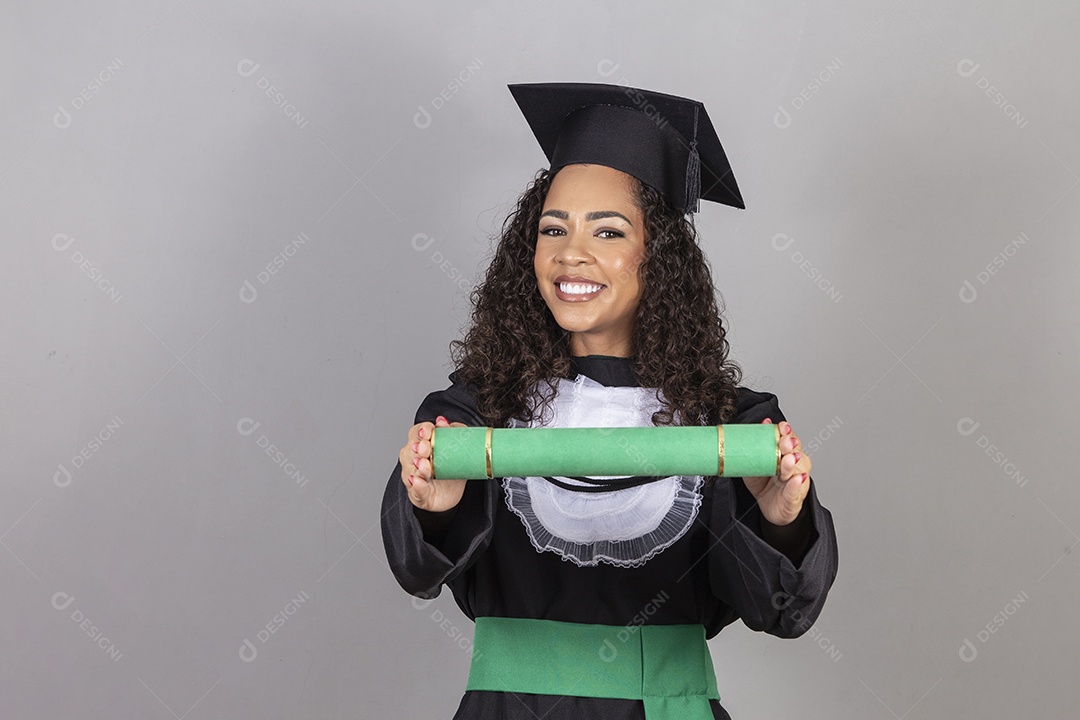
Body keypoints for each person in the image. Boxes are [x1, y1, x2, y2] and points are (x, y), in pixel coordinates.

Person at [381, 82, 839, 720]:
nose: (573, 253)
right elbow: (415, 567)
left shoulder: (732, 427)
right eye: (553, 228)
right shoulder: (472, 415)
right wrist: (431, 510)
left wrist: (781, 518)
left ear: (658, 255)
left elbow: (786, 613)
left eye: (609, 231)